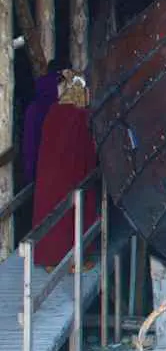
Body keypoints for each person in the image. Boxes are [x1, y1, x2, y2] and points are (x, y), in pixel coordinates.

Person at [31, 69, 98, 270]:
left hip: (49, 174)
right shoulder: (80, 116)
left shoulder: (53, 111)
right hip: (72, 175)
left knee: (52, 214)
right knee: (72, 216)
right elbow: (86, 150)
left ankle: (51, 260)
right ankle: (75, 260)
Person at [22, 59, 66, 183]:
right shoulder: (62, 109)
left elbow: (29, 142)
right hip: (57, 170)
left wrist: (29, 172)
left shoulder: (33, 107)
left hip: (36, 168)